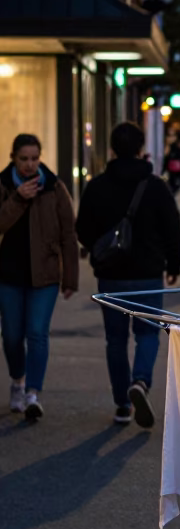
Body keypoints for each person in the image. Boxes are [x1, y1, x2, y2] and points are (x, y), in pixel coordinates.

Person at [76, 121, 180, 428]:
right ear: (140, 149)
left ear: (111, 149)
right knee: (148, 333)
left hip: (111, 275)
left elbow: (83, 228)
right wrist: (173, 265)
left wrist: (98, 249)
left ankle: (122, 405)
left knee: (115, 340)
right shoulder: (156, 186)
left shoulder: (96, 186)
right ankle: (141, 381)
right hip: (148, 273)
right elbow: (171, 229)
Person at [0, 133, 78, 421]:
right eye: (24, 159)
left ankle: (33, 392)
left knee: (37, 332)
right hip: (8, 274)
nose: (30, 165)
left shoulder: (54, 188)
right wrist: (18, 200)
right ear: (13, 158)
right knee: (10, 336)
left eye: (34, 159)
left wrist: (69, 277)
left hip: (44, 274)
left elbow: (69, 234)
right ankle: (18, 380)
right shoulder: (4, 185)